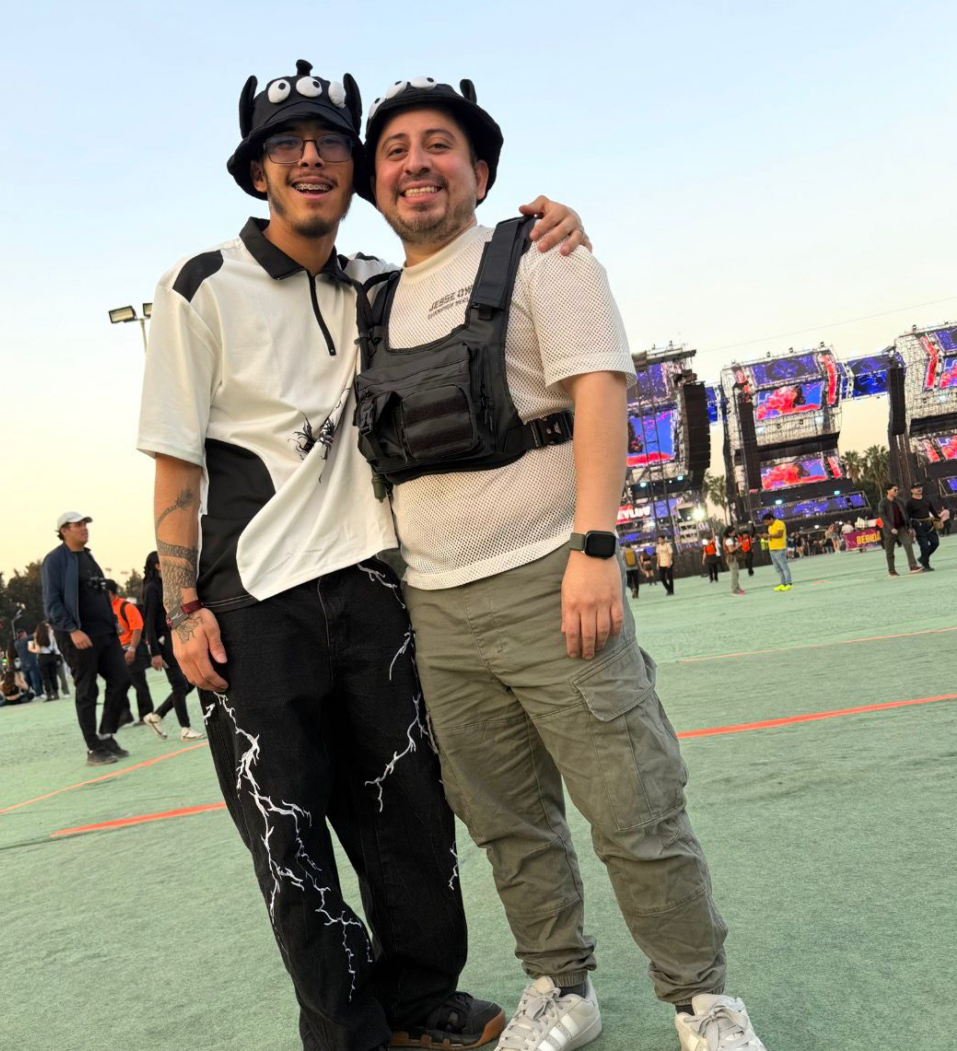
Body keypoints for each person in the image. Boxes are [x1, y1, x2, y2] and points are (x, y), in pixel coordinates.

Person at [135, 61, 587, 1051]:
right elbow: (175, 463)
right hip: (254, 601)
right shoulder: (198, 286)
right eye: (285, 143)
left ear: (355, 167)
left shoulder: (383, 284)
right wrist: (180, 606)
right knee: (288, 835)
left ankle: (422, 1000)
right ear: (257, 170)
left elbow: (483, 273)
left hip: (381, 588)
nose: (310, 157)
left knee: (410, 816)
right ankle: (347, 1031)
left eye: (331, 141)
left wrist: (551, 227)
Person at [360, 76, 767, 1051]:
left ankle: (702, 1001)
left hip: (553, 574)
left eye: (438, 144)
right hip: (435, 607)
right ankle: (561, 988)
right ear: (375, 185)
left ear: (480, 168)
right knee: (505, 820)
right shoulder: (366, 302)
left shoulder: (543, 255)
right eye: (395, 151)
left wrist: (595, 544)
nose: (416, 164)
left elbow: (598, 389)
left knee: (634, 803)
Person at [41, 512, 132, 766]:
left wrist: (113, 623)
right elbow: (52, 602)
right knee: (87, 689)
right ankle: (94, 748)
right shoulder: (55, 560)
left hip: (105, 633)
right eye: (78, 525)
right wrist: (72, 629)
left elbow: (101, 593)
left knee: (122, 679)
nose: (84, 528)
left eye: (85, 524)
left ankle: (106, 734)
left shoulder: (87, 557)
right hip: (78, 635)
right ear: (64, 531)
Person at [139, 552, 204, 741]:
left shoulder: (166, 586)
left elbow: (169, 617)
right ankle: (185, 728)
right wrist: (155, 652)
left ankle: (156, 715)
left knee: (188, 682)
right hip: (162, 644)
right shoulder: (151, 588)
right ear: (157, 565)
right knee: (179, 684)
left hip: (173, 639)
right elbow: (149, 621)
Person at [105, 580, 156, 725]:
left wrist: (132, 649)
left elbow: (137, 628)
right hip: (115, 653)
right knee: (117, 685)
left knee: (138, 683)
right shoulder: (104, 609)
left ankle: (146, 714)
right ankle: (124, 715)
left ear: (110, 592)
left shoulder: (126, 606)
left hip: (131, 650)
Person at [877, 484, 923, 577]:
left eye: (897, 489)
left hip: (901, 528)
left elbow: (906, 515)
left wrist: (909, 527)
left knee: (908, 545)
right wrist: (891, 528)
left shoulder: (900, 501)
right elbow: (883, 517)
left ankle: (913, 566)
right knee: (890, 551)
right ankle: (892, 570)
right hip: (889, 531)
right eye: (894, 490)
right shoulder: (882, 503)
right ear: (888, 491)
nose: (897, 491)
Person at [906, 482, 941, 571]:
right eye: (917, 487)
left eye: (920, 487)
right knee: (924, 546)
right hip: (918, 526)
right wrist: (910, 528)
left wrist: (938, 518)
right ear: (912, 490)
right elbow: (907, 516)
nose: (919, 489)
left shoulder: (926, 499)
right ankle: (926, 565)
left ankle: (922, 558)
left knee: (935, 543)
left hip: (929, 524)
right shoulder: (910, 502)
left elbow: (932, 510)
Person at [760, 512, 792, 590]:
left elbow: (779, 534)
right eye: (764, 522)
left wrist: (768, 535)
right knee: (778, 568)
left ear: (771, 519)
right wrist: (765, 537)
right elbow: (771, 537)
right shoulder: (769, 527)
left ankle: (789, 583)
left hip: (780, 549)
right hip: (772, 549)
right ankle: (783, 583)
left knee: (784, 567)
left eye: (766, 522)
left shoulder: (779, 523)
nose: (766, 524)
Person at [34, 622, 63, 700]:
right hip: (52, 656)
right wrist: (58, 656)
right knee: (53, 676)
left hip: (42, 657)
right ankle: (56, 693)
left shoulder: (37, 636)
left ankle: (49, 694)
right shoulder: (51, 635)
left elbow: (36, 649)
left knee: (45, 678)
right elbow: (56, 647)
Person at [13, 629, 44, 698]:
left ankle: (30, 694)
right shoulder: (26, 640)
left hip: (23, 664)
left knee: (27, 680)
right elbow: (35, 635)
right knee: (35, 679)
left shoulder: (16, 643)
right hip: (31, 663)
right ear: (23, 634)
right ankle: (38, 693)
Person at [722, 527, 745, 596]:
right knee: (734, 574)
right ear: (729, 533)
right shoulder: (729, 540)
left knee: (736, 574)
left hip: (729, 557)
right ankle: (734, 591)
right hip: (731, 558)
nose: (734, 532)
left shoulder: (726, 539)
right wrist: (738, 545)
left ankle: (737, 588)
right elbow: (731, 550)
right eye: (733, 532)